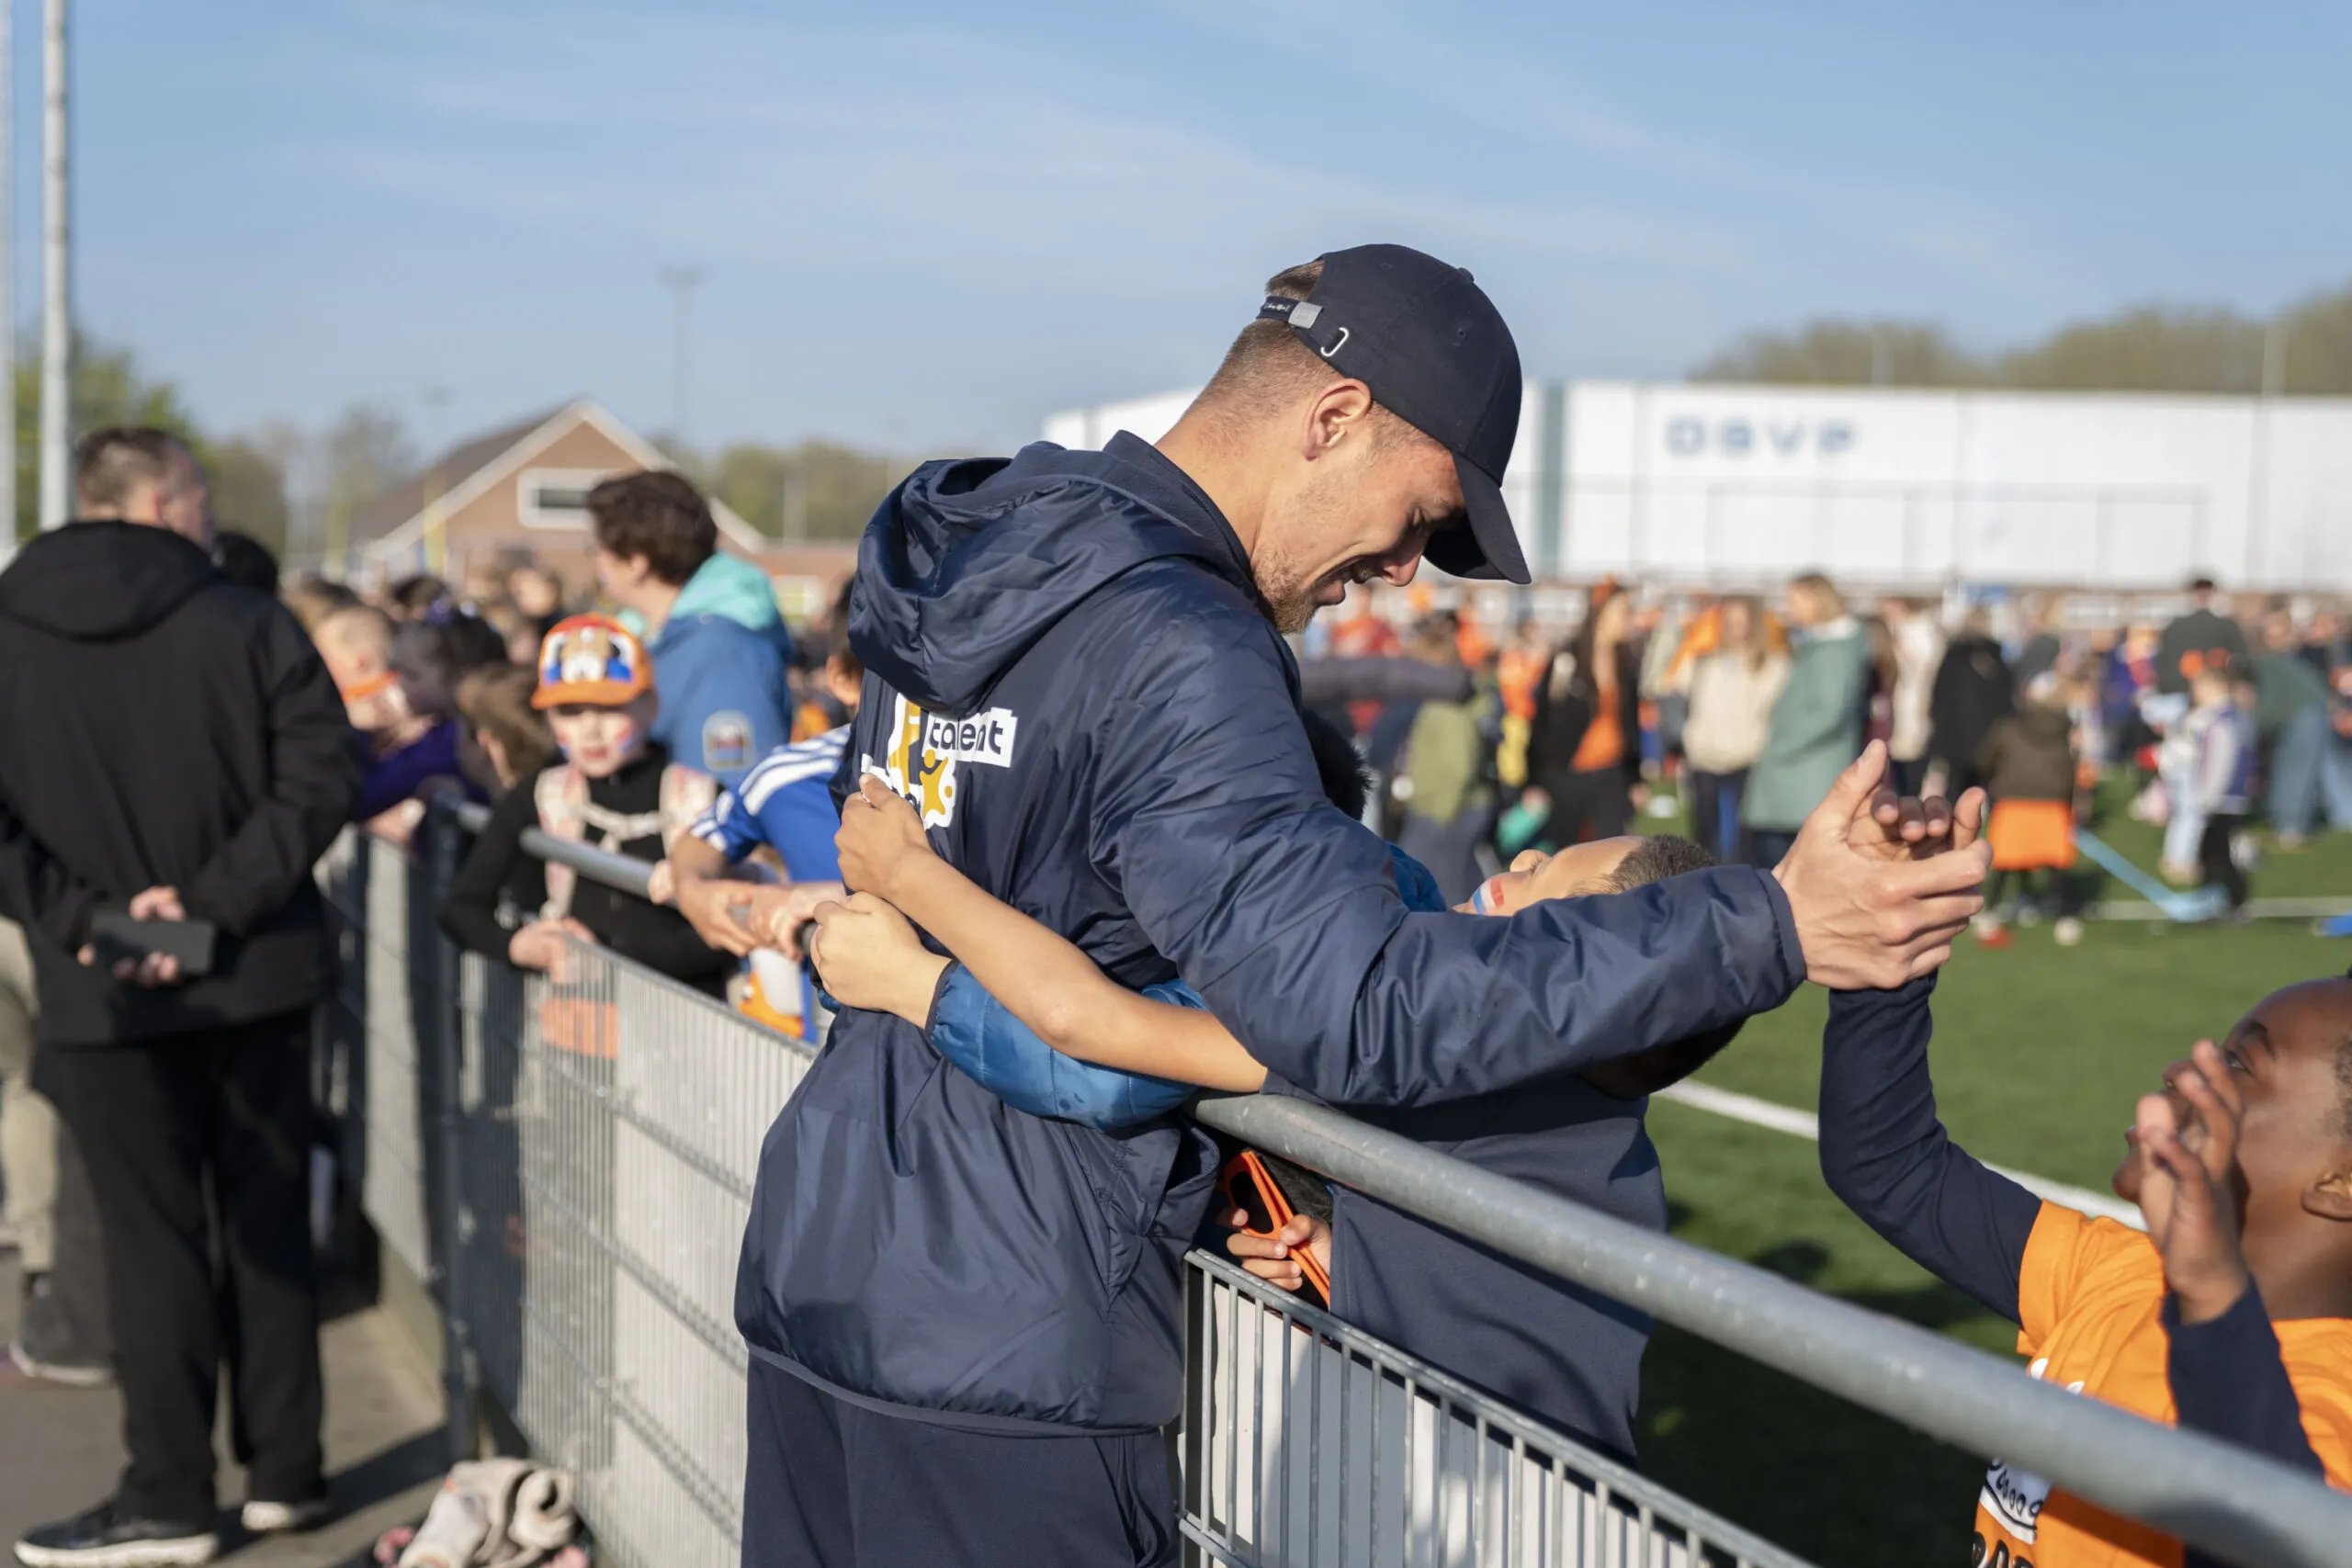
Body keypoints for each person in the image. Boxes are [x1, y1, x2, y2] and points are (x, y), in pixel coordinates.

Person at [731, 243, 1989, 1567]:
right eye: (1424, 512)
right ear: (1333, 417)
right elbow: (1350, 1004)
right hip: (1006, 1337)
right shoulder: (1180, 639)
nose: (1407, 569)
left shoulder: (980, 546)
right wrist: (1773, 925)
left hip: (828, 1247)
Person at [814, 775, 1740, 1463]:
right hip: (1554, 1497)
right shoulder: (1600, 1127)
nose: (1518, 862)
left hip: (1443, 1487)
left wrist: (910, 930)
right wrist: (1371, 1263)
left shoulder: (1430, 1038)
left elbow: (1096, 1037)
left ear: (1594, 985)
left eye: (1543, 880)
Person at [0, 427, 359, 1564]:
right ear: (161, 504)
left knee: (148, 1238)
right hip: (254, 970)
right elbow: (319, 785)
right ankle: (285, 1475)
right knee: (263, 1218)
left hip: (102, 988)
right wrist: (204, 911)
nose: (209, 519)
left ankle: (167, 1493)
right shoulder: (249, 622)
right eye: (200, 498)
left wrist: (99, 926)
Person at [1819, 870, 2352, 1563]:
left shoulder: (2330, 1400)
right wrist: (1888, 952)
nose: (2177, 1071)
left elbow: (2274, 1534)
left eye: (2236, 1066)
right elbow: (1888, 1164)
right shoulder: (2117, 1272)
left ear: (2341, 1181)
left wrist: (2212, 1290)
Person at [437, 615, 728, 996]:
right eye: (569, 712)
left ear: (650, 706)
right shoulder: (541, 794)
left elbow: (727, 931)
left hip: (686, 1027)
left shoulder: (701, 797)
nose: (590, 730)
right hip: (576, 1032)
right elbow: (461, 907)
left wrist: (609, 960)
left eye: (609, 709)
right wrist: (520, 945)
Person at [666, 580, 868, 1038]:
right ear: (844, 679)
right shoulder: (785, 776)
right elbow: (701, 839)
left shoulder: (991, 777)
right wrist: (695, 889)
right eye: (895, 674)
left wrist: (826, 898)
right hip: (826, 1053)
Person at [588, 471, 793, 787]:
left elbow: (734, 791)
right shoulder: (654, 637)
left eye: (598, 550)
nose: (596, 564)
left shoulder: (723, 649)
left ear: (636, 562)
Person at [1741, 573, 1871, 867]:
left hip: (1803, 777)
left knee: (1787, 870)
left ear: (1817, 600)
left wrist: (1777, 746)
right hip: (1798, 775)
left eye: (1795, 600)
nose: (1789, 608)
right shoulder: (1823, 645)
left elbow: (1828, 713)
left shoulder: (1835, 651)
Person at [1523, 581, 1641, 848]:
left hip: (1610, 775)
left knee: (1611, 857)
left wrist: (1634, 778)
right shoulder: (1567, 659)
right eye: (1623, 612)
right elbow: (1541, 719)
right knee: (1565, 856)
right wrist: (1534, 780)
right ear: (1601, 614)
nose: (1629, 620)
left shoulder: (1626, 662)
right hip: (1567, 775)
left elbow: (1630, 724)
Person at [1972, 671, 2084, 949]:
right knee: (2056, 865)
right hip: (2052, 802)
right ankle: (2063, 918)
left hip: (2014, 801)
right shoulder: (2063, 729)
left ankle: (1990, 914)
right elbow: (2069, 770)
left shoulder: (2008, 727)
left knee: (2005, 862)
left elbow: (1984, 759)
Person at [1393, 615, 1494, 904]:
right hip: (1451, 807)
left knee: (1435, 889)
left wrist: (1440, 811)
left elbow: (1459, 766)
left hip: (1445, 811)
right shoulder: (1450, 698)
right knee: (1455, 884)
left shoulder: (1446, 705)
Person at [1681, 596, 1789, 863]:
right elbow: (1679, 693)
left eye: (1742, 620)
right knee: (1704, 832)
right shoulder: (1704, 662)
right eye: (1730, 621)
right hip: (1704, 755)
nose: (1736, 628)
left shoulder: (1773, 666)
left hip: (1747, 758)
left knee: (1746, 838)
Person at [2253, 608, 2335, 847]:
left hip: (2307, 716)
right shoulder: (2276, 659)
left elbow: (2269, 703)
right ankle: (2286, 823)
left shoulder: (2269, 662)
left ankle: (2291, 827)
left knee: (2297, 772)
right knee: (2289, 770)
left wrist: (2254, 727)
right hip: (2305, 715)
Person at [2183, 666, 2256, 917]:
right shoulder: (2238, 718)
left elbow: (2219, 764)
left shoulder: (2220, 722)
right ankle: (2220, 899)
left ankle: (2229, 902)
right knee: (2217, 852)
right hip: (2234, 797)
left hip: (2222, 799)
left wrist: (2206, 797)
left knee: (2216, 855)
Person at [1928, 606, 2015, 803]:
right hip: (1989, 738)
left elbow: (1939, 699)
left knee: (1954, 793)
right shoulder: (1997, 659)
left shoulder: (1953, 657)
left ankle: (1953, 830)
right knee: (1986, 792)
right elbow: (2007, 701)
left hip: (1956, 738)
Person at [1884, 597, 1945, 795]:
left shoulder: (1921, 630)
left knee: (1912, 752)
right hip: (1903, 701)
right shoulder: (1900, 629)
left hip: (1914, 701)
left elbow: (1925, 667)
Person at [2156, 576, 2250, 697]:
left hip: (2189, 694)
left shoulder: (2174, 627)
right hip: (2208, 694)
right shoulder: (2227, 626)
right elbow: (2242, 663)